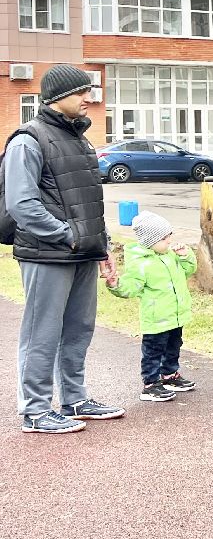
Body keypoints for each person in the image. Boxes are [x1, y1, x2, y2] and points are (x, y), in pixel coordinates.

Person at [3, 65, 123, 434]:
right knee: (42, 332)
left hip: (83, 252)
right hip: (48, 254)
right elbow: (21, 205)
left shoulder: (80, 140)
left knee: (78, 328)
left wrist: (101, 249)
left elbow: (89, 202)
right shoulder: (28, 140)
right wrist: (67, 235)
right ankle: (36, 411)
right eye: (81, 93)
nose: (89, 99)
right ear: (57, 98)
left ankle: (74, 398)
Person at [105, 212, 197, 402]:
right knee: (153, 351)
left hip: (175, 316)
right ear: (150, 241)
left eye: (169, 235)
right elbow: (131, 287)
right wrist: (116, 284)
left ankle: (170, 375)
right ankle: (150, 384)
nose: (169, 241)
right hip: (156, 319)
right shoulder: (141, 264)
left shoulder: (171, 256)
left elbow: (189, 270)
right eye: (164, 238)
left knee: (174, 346)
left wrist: (186, 256)